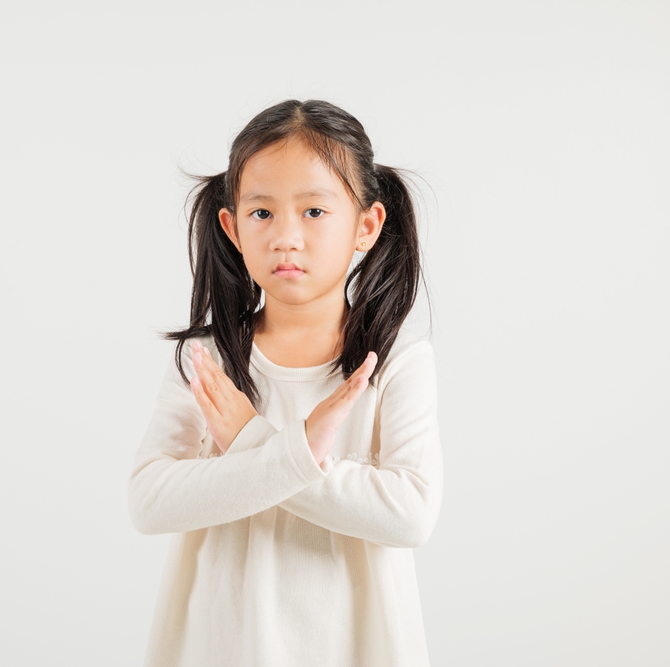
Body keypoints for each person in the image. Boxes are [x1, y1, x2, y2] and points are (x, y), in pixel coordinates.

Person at [127, 99, 444, 667]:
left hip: (356, 646)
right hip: (219, 643)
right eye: (262, 213)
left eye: (315, 212)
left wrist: (252, 441)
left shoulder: (396, 360)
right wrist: (296, 454)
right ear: (232, 226)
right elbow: (150, 502)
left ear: (366, 226)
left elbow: (408, 512)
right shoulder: (208, 359)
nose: (286, 236)